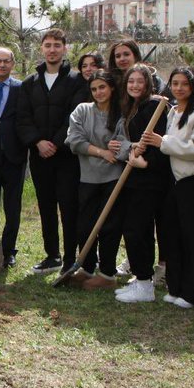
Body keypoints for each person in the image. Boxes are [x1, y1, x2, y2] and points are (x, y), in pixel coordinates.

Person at [141, 66, 194, 309]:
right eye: (175, 83)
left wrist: (163, 142)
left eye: (185, 84)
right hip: (175, 182)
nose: (179, 88)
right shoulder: (173, 112)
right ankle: (177, 287)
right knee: (174, 236)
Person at [17, 28, 81, 274]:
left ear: (65, 48)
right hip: (39, 156)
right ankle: (52, 255)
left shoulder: (76, 81)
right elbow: (23, 118)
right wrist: (37, 142)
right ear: (41, 48)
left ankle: (70, 258)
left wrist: (55, 142)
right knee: (46, 206)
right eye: (48, 45)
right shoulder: (29, 83)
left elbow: (74, 116)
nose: (52, 50)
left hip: (66, 156)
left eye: (57, 45)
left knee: (68, 207)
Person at [110, 65, 170, 303]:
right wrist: (130, 151)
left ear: (148, 84)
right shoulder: (133, 106)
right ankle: (142, 278)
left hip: (150, 179)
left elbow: (160, 142)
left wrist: (146, 163)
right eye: (130, 81)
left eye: (140, 81)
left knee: (136, 229)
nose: (134, 85)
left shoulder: (155, 106)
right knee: (137, 229)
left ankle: (145, 284)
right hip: (134, 177)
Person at [62, 69, 126, 289]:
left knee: (109, 226)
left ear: (112, 88)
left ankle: (107, 274)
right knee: (84, 225)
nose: (98, 92)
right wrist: (103, 152)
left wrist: (113, 149)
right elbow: (74, 141)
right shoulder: (82, 110)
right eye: (94, 89)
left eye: (102, 87)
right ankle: (87, 268)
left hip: (113, 178)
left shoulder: (121, 114)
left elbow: (122, 146)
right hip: (88, 177)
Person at [0, 47, 26, 267]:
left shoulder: (21, 88)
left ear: (13, 64)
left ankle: (9, 250)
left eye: (6, 61)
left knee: (12, 207)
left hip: (14, 157)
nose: (2, 65)